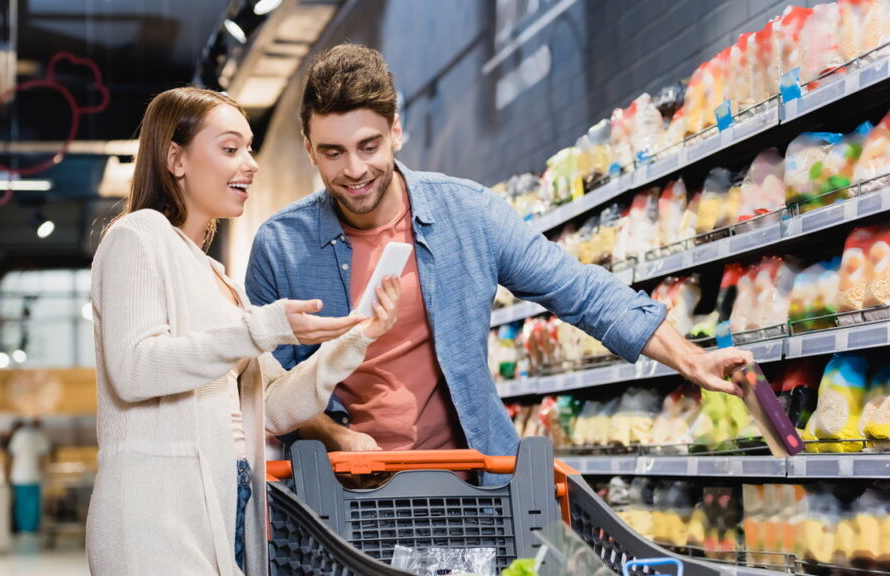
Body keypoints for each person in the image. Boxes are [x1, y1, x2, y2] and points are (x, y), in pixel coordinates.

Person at [245, 44, 753, 474]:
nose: (354, 169)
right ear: (309, 149)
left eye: (369, 146)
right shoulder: (280, 246)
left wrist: (692, 357)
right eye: (333, 152)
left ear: (396, 132)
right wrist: (336, 435)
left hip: (470, 480)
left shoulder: (469, 213)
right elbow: (267, 387)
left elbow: (580, 291)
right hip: (341, 493)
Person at [85, 87, 400, 576]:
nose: (250, 164)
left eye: (249, 148)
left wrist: (356, 339)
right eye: (230, 149)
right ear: (176, 158)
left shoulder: (218, 277)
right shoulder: (137, 236)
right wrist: (267, 327)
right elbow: (134, 368)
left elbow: (272, 406)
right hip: (157, 516)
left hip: (229, 494)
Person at [7, 418, 50, 536]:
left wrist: (8, 472)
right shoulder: (39, 436)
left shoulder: (18, 435)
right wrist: (45, 473)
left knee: (21, 504)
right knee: (33, 504)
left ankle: (23, 529)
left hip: (19, 476)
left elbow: (12, 456)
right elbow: (42, 458)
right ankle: (31, 529)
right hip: (33, 475)